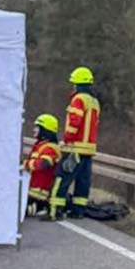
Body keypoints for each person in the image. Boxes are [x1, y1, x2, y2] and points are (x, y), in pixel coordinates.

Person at [47, 66, 101, 220]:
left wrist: (67, 139)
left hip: (75, 148)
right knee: (82, 182)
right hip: (88, 150)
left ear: (77, 84)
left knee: (62, 178)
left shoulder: (78, 99)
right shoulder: (94, 101)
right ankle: (78, 211)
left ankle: (55, 211)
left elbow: (74, 122)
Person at [23, 114, 61, 217]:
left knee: (21, 212)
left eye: (37, 127)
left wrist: (26, 164)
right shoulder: (40, 146)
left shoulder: (51, 148)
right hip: (30, 192)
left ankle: (42, 207)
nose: (34, 130)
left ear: (45, 130)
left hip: (39, 195)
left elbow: (43, 164)